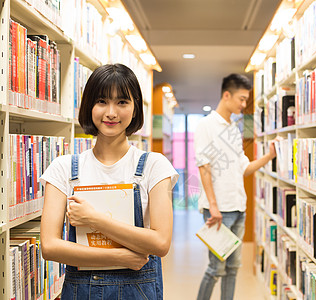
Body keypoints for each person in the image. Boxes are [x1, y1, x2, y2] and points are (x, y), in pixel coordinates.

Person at [40, 63, 179, 299]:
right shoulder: (63, 168)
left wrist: (95, 220)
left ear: (135, 108)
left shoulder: (155, 166)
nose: (111, 113)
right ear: (88, 106)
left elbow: (161, 242)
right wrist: (119, 257)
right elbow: (49, 246)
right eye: (102, 101)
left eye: (122, 102)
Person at [194, 73, 277, 300]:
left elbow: (245, 168)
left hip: (238, 208)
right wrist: (213, 207)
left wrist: (269, 157)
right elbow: (204, 168)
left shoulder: (233, 128)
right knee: (215, 269)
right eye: (241, 99)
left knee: (233, 268)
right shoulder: (206, 126)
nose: (243, 104)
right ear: (226, 95)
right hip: (219, 212)